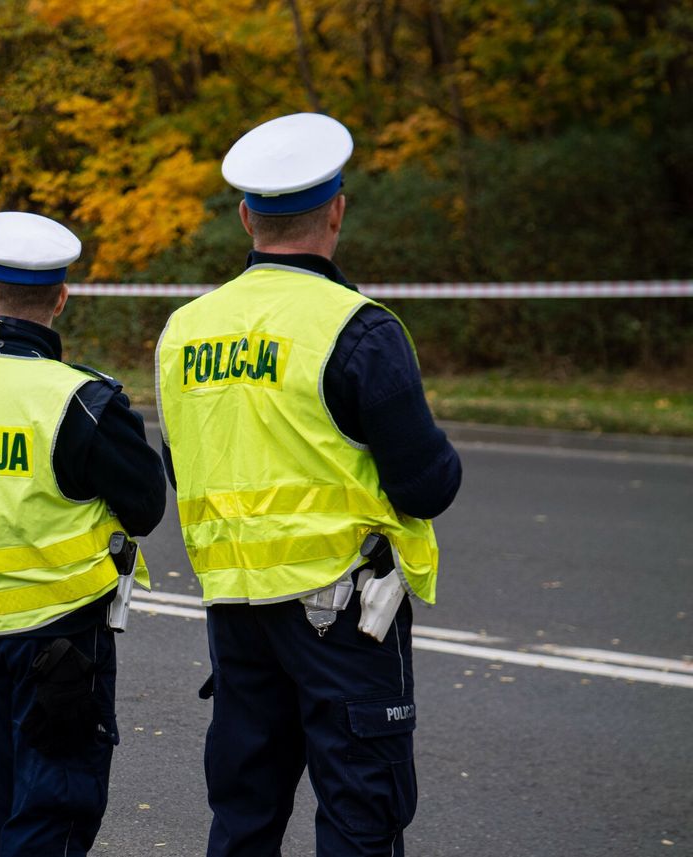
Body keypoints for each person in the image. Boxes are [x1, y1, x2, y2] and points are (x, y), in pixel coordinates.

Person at [154, 113, 462, 856]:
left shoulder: (183, 332)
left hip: (236, 611)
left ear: (244, 217)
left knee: (244, 817)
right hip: (345, 614)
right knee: (361, 815)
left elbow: (184, 464)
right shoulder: (358, 328)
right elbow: (426, 485)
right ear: (337, 211)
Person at [0, 211, 167, 856]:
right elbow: (145, 507)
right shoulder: (81, 400)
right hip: (62, 634)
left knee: (7, 797)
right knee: (56, 805)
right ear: (61, 297)